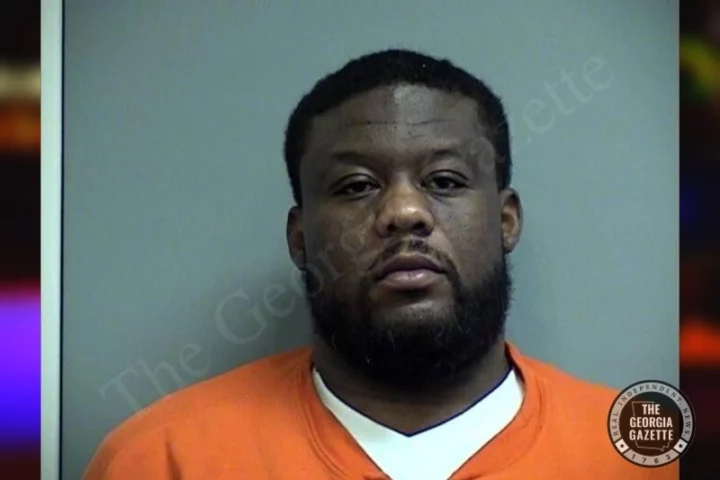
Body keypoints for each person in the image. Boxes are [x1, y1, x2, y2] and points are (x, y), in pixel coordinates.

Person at [84, 49, 677, 480]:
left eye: (445, 180)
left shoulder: (640, 455)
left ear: (506, 221)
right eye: (356, 185)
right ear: (300, 239)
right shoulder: (162, 459)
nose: (404, 212)